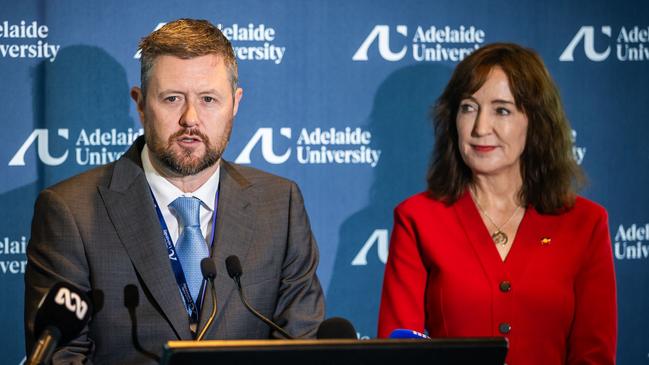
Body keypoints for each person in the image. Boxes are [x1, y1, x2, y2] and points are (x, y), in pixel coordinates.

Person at [24, 18, 324, 363]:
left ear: (236, 103)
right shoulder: (70, 211)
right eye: (172, 99)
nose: (190, 118)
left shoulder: (279, 204)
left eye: (209, 98)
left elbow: (302, 345)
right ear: (140, 104)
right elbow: (59, 356)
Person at [377, 43, 616, 365]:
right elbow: (397, 353)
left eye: (501, 110)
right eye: (468, 108)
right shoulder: (417, 218)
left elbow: (594, 355)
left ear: (536, 122)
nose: (480, 128)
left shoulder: (586, 223)